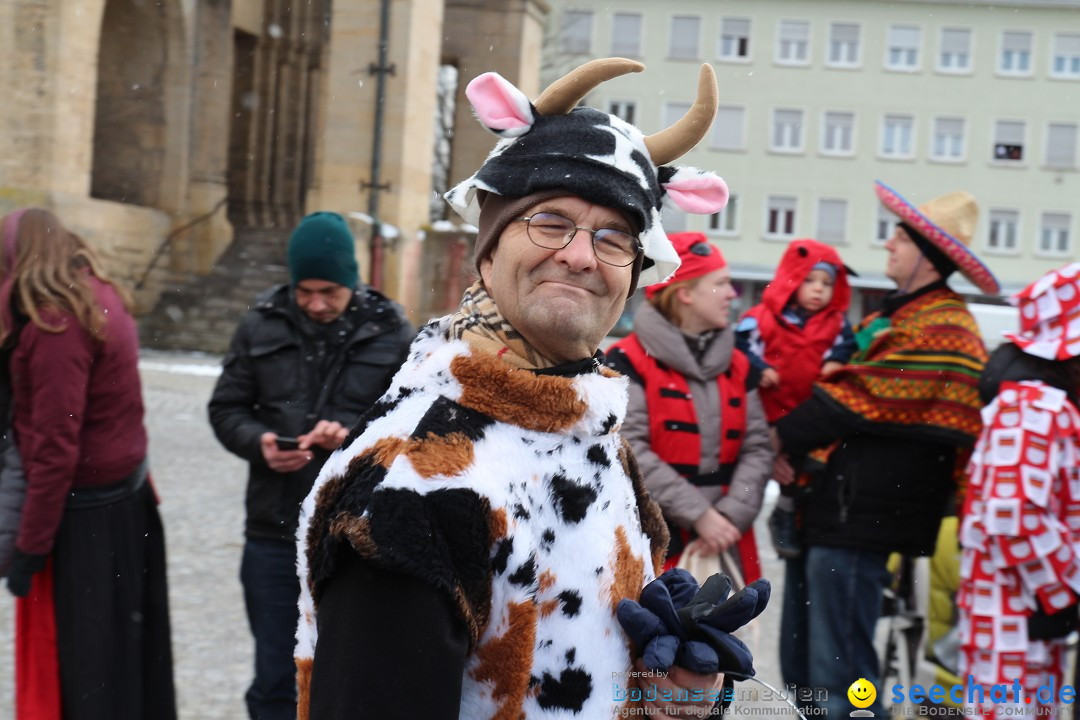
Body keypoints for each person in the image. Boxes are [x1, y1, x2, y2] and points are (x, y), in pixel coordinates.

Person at [294, 58, 742, 719]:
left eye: (615, 237)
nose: (582, 256)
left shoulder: (591, 428)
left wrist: (666, 697)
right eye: (551, 222)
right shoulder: (416, 485)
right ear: (488, 249)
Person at [772, 181, 998, 717]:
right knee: (805, 671)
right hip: (832, 510)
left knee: (843, 680)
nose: (888, 247)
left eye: (897, 238)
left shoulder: (944, 327)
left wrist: (776, 439)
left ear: (925, 254)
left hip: (863, 522)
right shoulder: (895, 319)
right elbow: (851, 393)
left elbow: (854, 399)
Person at [208, 210, 413, 720]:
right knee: (275, 676)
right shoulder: (259, 323)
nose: (316, 303)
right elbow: (226, 408)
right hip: (272, 532)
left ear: (352, 281)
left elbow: (415, 430)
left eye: (330, 292)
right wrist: (260, 443)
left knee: (348, 676)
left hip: (356, 538)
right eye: (306, 291)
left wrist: (352, 440)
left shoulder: (392, 329)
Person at [1, 208, 176, 719]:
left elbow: (56, 447)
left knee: (87, 677)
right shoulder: (97, 297)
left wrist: (29, 549)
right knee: (123, 669)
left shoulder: (56, 323)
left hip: (87, 524)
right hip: (121, 508)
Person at [606, 232, 772, 582]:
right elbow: (628, 450)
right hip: (652, 540)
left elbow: (758, 448)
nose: (733, 294)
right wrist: (700, 516)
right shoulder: (626, 360)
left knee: (722, 636)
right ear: (685, 293)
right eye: (722, 284)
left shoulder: (740, 364)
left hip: (727, 541)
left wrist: (728, 518)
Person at [957, 262, 1080, 716]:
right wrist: (1062, 594)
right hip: (1015, 615)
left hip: (1018, 613)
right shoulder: (1036, 407)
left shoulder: (1036, 403)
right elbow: (1014, 517)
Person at [734, 239, 857, 559]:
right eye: (810, 280)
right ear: (791, 279)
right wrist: (758, 368)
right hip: (769, 410)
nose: (819, 290)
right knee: (762, 468)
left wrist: (836, 361)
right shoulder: (760, 318)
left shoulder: (836, 324)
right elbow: (740, 348)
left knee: (804, 471)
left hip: (808, 414)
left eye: (827, 283)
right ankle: (755, 518)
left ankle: (788, 514)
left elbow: (846, 347)